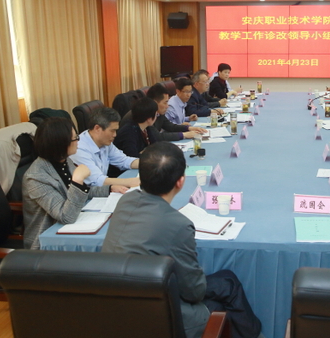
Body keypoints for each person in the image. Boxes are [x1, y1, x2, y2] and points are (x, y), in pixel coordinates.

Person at [102, 142, 263, 338]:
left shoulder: (125, 200)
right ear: (180, 182)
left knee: (227, 283)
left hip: (117, 307)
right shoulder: (178, 224)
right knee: (227, 286)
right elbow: (194, 292)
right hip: (163, 316)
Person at [23, 117, 117, 250]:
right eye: (75, 138)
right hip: (47, 244)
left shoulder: (64, 160)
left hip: (70, 229)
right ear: (60, 143)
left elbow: (83, 191)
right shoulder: (36, 177)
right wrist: (77, 181)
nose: (78, 141)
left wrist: (110, 189)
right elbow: (66, 216)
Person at [71, 107, 140, 188]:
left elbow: (124, 161)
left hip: (103, 190)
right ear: (97, 128)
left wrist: (149, 164)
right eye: (112, 131)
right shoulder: (79, 148)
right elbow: (97, 180)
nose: (115, 135)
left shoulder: (105, 142)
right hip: (89, 193)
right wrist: (130, 182)